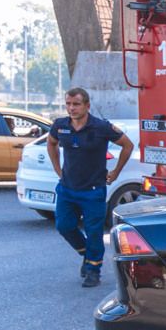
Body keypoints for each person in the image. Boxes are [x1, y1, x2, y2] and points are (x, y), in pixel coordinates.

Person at [46, 87, 133, 288]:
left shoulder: (101, 127)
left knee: (94, 231)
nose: (71, 108)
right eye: (68, 104)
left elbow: (128, 146)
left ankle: (93, 270)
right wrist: (58, 169)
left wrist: (116, 172)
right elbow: (51, 143)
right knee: (64, 226)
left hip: (93, 190)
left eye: (76, 104)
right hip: (67, 189)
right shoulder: (60, 126)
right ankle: (88, 254)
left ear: (87, 105)